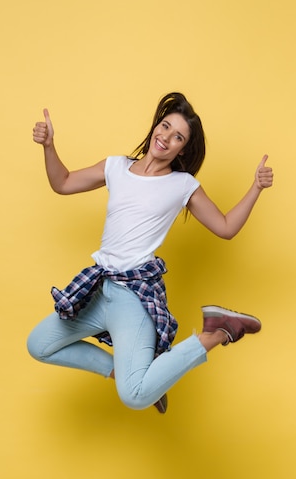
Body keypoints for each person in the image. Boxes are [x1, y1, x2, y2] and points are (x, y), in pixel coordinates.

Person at [27, 92, 273, 414]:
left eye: (178, 137)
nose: (167, 137)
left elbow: (226, 227)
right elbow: (63, 182)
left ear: (182, 149)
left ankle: (216, 332)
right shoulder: (116, 167)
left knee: (133, 397)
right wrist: (49, 146)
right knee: (39, 345)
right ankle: (136, 375)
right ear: (156, 125)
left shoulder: (183, 185)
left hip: (134, 298)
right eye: (165, 126)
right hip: (101, 293)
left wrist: (255, 187)